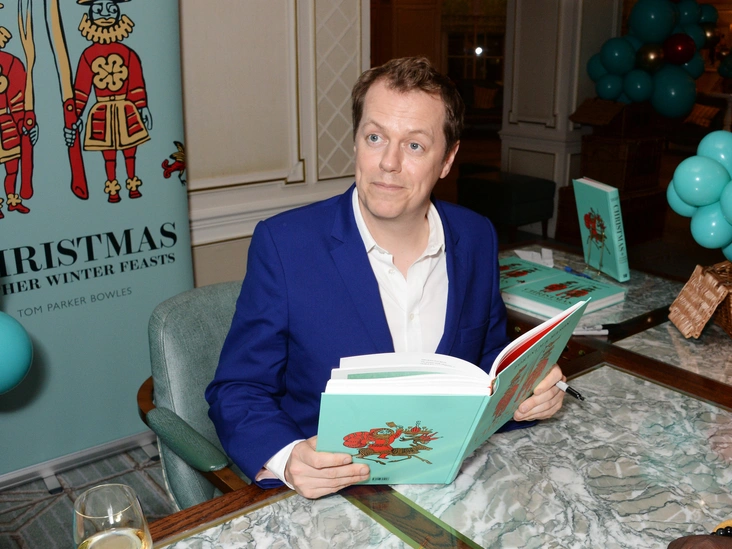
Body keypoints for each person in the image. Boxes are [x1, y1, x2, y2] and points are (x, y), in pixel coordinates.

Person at [206, 56, 567, 500]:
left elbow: (485, 360)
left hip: (457, 482)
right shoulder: (285, 245)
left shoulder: (475, 235)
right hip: (336, 492)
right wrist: (287, 457)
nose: (388, 163)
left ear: (447, 159)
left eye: (414, 145)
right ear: (356, 141)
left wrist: (526, 388)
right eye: (375, 137)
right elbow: (238, 389)